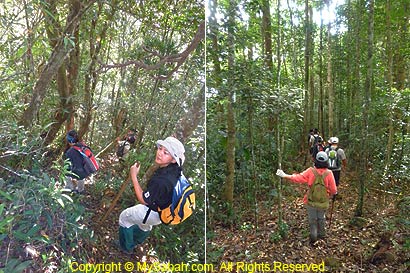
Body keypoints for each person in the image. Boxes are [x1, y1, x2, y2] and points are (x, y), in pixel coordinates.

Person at [118, 136, 185, 254]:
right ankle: (136, 241)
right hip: (161, 214)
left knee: (124, 218)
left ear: (174, 160)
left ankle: (126, 248)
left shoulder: (163, 181)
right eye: (160, 149)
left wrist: (133, 175)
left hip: (151, 212)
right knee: (145, 225)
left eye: (166, 153)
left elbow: (144, 200)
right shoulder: (176, 172)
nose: (160, 153)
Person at [276, 151, 337, 245]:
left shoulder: (310, 171)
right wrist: (333, 194)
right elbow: (333, 190)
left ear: (316, 160)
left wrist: (285, 175)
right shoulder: (329, 173)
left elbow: (298, 178)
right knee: (321, 218)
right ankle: (322, 235)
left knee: (312, 219)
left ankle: (313, 236)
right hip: (323, 202)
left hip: (311, 202)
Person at [63, 130, 90, 194]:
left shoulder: (70, 151)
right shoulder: (83, 146)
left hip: (76, 170)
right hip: (84, 170)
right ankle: (81, 190)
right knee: (81, 176)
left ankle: (69, 188)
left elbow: (68, 164)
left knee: (66, 172)